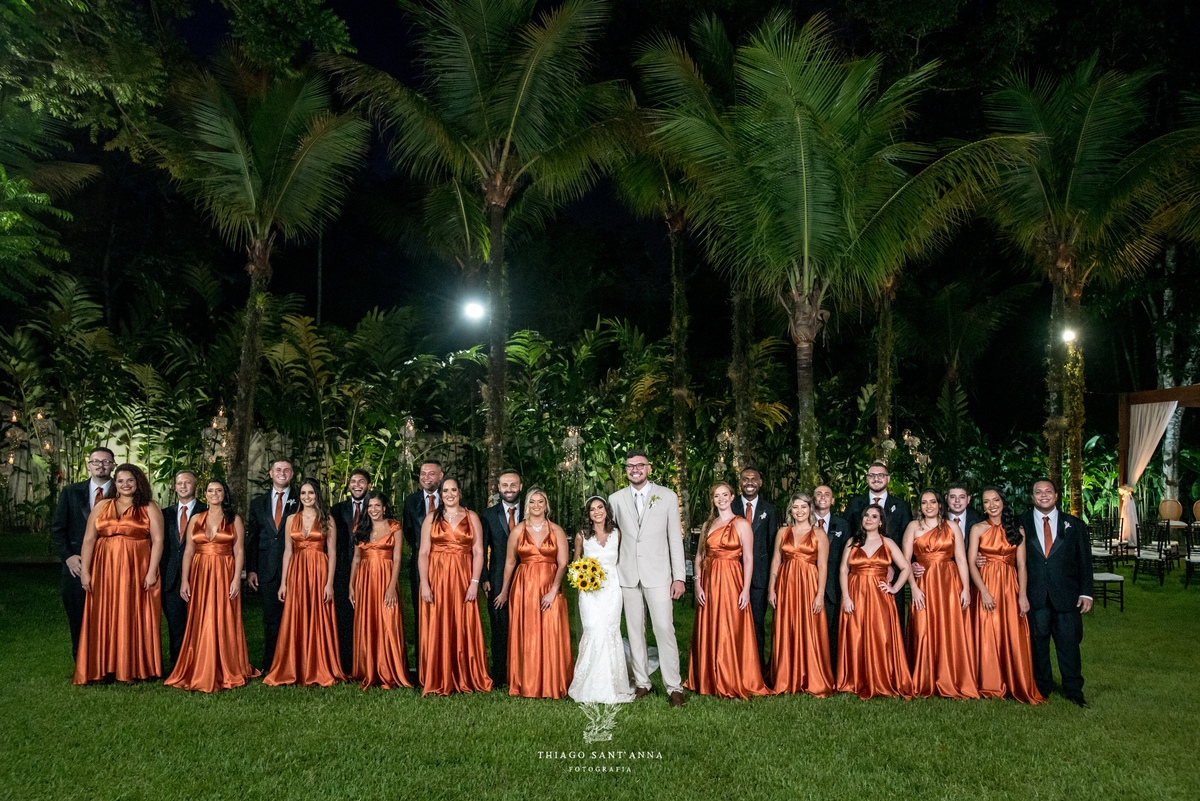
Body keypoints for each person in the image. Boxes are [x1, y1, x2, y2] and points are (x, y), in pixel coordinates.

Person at [609, 449, 687, 707]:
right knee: (634, 630)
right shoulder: (615, 499)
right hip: (628, 574)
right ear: (626, 470)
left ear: (649, 468)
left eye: (640, 465)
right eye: (630, 466)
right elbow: (612, 538)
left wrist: (679, 577)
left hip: (659, 575)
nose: (635, 470)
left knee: (664, 629)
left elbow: (675, 538)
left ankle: (674, 686)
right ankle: (642, 682)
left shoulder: (667, 496)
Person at [73, 463, 164, 684]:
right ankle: (103, 668)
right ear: (115, 483)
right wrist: (85, 571)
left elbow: (159, 540)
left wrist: (151, 572)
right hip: (104, 570)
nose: (125, 485)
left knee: (132, 613)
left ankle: (132, 667)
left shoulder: (149, 507)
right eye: (120, 481)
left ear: (138, 482)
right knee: (104, 613)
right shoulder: (102, 505)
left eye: (130, 480)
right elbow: (88, 540)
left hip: (137, 568)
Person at [165, 480, 258, 692]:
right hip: (199, 574)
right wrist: (185, 580)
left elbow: (239, 551)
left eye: (219, 490)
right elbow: (188, 551)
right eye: (210, 490)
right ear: (205, 494)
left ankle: (226, 665)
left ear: (225, 494)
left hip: (224, 572)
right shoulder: (196, 518)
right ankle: (199, 664)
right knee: (200, 617)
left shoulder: (234, 520)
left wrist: (236, 579)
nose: (214, 493)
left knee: (223, 616)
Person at [684, 483, 773, 699]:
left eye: (725, 494)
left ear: (732, 497)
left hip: (733, 580)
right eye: (717, 495)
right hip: (709, 580)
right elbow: (699, 557)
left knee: (732, 626)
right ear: (713, 499)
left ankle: (733, 677)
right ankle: (708, 677)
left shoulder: (742, 524)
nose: (721, 498)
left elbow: (749, 559)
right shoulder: (708, 524)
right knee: (710, 624)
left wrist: (745, 589)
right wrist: (697, 584)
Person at [263, 478, 345, 687]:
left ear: (317, 495)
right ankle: (295, 666)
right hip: (297, 571)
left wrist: (329, 583)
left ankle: (318, 666)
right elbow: (287, 552)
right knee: (296, 616)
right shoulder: (291, 519)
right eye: (303, 493)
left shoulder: (328, 519)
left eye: (310, 493)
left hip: (319, 570)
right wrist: (283, 583)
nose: (307, 497)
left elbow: (332, 553)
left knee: (318, 616)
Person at [967, 487, 1044, 704]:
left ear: (1003, 501)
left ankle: (1013, 680)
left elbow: (1021, 565)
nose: (991, 505)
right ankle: (990, 683)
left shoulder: (1017, 530)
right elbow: (972, 562)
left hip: (1010, 586)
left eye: (995, 500)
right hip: (986, 584)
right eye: (986, 502)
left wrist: (1022, 596)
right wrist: (983, 591)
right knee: (987, 631)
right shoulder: (977, 529)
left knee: (1010, 630)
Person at [494, 487, 572, 698]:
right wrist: (503, 591)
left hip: (550, 584)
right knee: (527, 633)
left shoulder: (556, 530)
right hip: (524, 586)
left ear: (546, 505)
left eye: (540, 502)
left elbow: (563, 563)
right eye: (532, 502)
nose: (536, 506)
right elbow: (510, 562)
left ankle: (551, 682)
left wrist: (553, 591)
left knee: (550, 630)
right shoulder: (518, 530)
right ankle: (526, 682)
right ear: (526, 505)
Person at [1020, 479, 1093, 707]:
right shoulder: (1019, 523)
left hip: (1066, 596)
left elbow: (1085, 562)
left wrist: (1086, 593)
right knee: (1038, 645)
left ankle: (1074, 691)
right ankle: (1042, 687)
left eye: (1048, 492)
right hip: (1035, 595)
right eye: (1038, 492)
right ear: (1032, 496)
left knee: (1069, 644)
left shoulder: (1075, 525)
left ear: (1056, 495)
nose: (1043, 496)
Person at [417, 477, 493, 695]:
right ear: (441, 494)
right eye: (445, 490)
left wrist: (474, 583)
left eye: (453, 490)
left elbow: (478, 552)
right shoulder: (431, 518)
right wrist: (425, 583)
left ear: (460, 492)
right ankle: (438, 673)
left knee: (463, 622)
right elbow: (423, 552)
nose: (449, 494)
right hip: (437, 576)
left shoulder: (472, 517)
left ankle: (465, 673)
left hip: (462, 576)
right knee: (438, 621)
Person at [902, 489, 978, 699]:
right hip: (924, 583)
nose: (929, 506)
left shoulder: (952, 526)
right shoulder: (913, 527)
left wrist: (965, 588)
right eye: (924, 502)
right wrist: (914, 588)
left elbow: (961, 559)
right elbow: (905, 561)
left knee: (950, 629)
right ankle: (924, 678)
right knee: (923, 628)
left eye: (933, 502)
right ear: (920, 506)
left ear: (939, 504)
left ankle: (951, 677)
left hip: (949, 582)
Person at [836, 504, 913, 699]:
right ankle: (856, 679)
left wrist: (894, 588)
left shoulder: (887, 543)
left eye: (874, 516)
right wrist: (846, 596)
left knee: (881, 635)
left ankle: (881, 677)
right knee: (856, 634)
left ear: (881, 522)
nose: (869, 519)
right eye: (866, 516)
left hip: (880, 598)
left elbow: (905, 567)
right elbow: (844, 570)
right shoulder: (853, 542)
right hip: (855, 593)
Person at [568, 496, 635, 704]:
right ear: (587, 514)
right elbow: (575, 563)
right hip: (590, 592)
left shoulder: (617, 534)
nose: (596, 511)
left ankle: (613, 684)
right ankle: (587, 683)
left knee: (609, 630)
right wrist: (581, 582)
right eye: (592, 509)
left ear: (606, 510)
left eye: (600, 507)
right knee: (593, 629)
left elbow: (623, 561)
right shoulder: (582, 536)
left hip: (612, 590)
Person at [50, 446, 114, 658]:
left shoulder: (122, 492)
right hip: (76, 563)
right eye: (96, 461)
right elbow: (58, 529)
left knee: (109, 612)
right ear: (88, 465)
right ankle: (80, 657)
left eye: (106, 461)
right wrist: (68, 556)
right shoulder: (70, 492)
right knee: (77, 610)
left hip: (112, 563)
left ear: (112, 465)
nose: (101, 465)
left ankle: (109, 657)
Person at [767, 493, 834, 696]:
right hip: (786, 585)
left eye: (803, 507)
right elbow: (776, 561)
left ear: (810, 509)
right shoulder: (783, 531)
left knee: (809, 626)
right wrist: (772, 588)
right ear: (791, 510)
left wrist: (820, 594)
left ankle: (810, 676)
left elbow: (822, 566)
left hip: (809, 584)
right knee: (786, 626)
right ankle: (785, 676)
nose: (800, 511)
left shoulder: (819, 533)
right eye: (795, 507)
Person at [348, 491, 413, 690]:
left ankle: (389, 670)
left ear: (384, 508)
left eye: (377, 506)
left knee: (388, 622)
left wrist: (392, 587)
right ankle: (368, 669)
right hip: (365, 581)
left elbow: (398, 559)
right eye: (370, 506)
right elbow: (357, 559)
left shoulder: (395, 527)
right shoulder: (361, 527)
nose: (374, 510)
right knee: (367, 622)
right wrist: (351, 585)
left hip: (386, 578)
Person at [844, 462, 912, 628]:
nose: (876, 479)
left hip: (891, 572)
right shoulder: (854, 504)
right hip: (860, 573)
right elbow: (848, 534)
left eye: (880, 475)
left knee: (890, 622)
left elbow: (907, 539)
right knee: (858, 622)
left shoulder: (901, 506)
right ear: (867, 479)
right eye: (872, 475)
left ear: (887, 479)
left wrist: (892, 566)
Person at [246, 459, 297, 670]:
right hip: (266, 568)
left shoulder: (302, 498)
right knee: (270, 618)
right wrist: (251, 569)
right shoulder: (258, 503)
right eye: (278, 470)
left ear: (292, 474)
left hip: (295, 567)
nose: (282, 473)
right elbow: (253, 539)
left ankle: (293, 662)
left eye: (286, 470)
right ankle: (271, 663)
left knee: (295, 616)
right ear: (270, 473)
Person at [730, 466, 777, 673]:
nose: (749, 482)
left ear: (760, 483)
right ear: (739, 483)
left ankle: (756, 670)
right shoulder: (729, 507)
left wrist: (771, 583)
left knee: (757, 624)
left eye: (754, 479)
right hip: (731, 575)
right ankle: (733, 666)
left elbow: (772, 546)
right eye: (745, 479)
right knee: (733, 622)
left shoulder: (770, 509)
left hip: (759, 578)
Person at [480, 469, 523, 685]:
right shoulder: (488, 515)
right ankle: (499, 674)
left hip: (527, 576)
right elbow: (481, 548)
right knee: (499, 625)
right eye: (505, 485)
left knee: (525, 623)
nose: (509, 489)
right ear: (499, 488)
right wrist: (484, 578)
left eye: (513, 485)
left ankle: (524, 671)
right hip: (497, 577)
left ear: (520, 487)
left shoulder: (532, 510)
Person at [161, 470, 206, 671]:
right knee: (175, 621)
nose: (183, 486)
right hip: (170, 575)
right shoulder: (164, 514)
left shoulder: (207, 511)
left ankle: (199, 662)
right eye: (180, 483)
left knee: (200, 620)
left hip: (200, 573)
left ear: (195, 486)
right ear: (175, 486)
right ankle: (178, 663)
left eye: (187, 483)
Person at [403, 459, 444, 667]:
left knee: (445, 611)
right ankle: (422, 663)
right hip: (421, 564)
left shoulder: (450, 499)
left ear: (441, 476)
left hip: (447, 565)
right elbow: (410, 533)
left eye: (431, 474)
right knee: (422, 612)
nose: (426, 478)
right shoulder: (410, 502)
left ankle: (444, 659)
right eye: (423, 474)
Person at [331, 468, 372, 674]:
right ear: (348, 486)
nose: (357, 485)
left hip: (369, 568)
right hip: (342, 568)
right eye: (354, 481)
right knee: (344, 615)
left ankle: (367, 660)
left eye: (362, 481)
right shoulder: (337, 510)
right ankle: (346, 663)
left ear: (369, 485)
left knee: (367, 613)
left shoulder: (375, 508)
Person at [813, 484, 851, 671]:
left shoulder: (843, 525)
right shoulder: (804, 522)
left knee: (832, 630)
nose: (822, 497)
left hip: (833, 585)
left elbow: (849, 556)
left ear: (833, 500)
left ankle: (832, 671)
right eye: (818, 493)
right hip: (808, 582)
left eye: (827, 494)